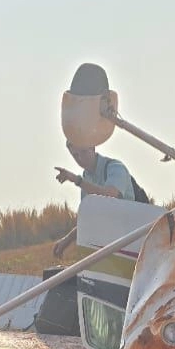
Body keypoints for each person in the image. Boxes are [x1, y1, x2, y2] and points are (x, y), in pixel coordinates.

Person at [53, 63, 140, 259]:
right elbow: (90, 217)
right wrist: (66, 241)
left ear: (92, 147)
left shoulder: (115, 168)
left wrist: (76, 181)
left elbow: (110, 196)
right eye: (75, 156)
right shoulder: (87, 178)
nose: (79, 159)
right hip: (109, 245)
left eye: (82, 153)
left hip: (132, 244)